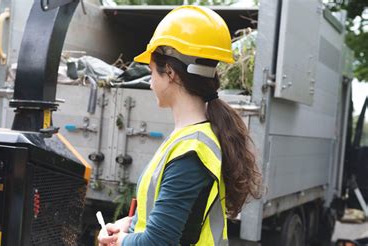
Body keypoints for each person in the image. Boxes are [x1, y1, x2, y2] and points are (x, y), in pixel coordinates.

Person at [98, 5, 262, 246]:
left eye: (152, 71)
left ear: (171, 73)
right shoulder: (191, 138)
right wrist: (128, 225)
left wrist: (121, 241)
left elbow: (158, 242)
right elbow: (175, 221)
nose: (151, 82)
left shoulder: (191, 151)